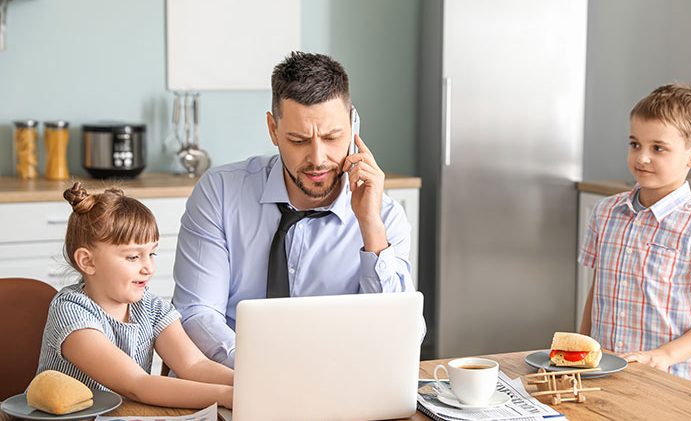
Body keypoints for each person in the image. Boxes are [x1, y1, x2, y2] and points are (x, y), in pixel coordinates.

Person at [172, 51, 418, 368]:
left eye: (332, 137)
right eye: (299, 140)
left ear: (354, 124)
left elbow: (396, 337)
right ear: (273, 129)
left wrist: (370, 226)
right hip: (234, 379)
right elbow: (197, 312)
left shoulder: (384, 217)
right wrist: (263, 369)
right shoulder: (219, 193)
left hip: (338, 382)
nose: (317, 158)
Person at [578, 83, 691, 391]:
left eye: (658, 148)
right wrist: (581, 354)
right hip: (611, 378)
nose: (642, 158)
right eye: (635, 144)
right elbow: (597, 293)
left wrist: (663, 356)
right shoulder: (605, 213)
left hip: (678, 388)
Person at [37, 182, 233, 408]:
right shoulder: (70, 312)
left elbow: (195, 365)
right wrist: (228, 396)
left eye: (152, 253)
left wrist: (252, 384)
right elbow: (137, 384)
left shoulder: (151, 307)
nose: (149, 268)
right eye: (133, 257)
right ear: (87, 261)